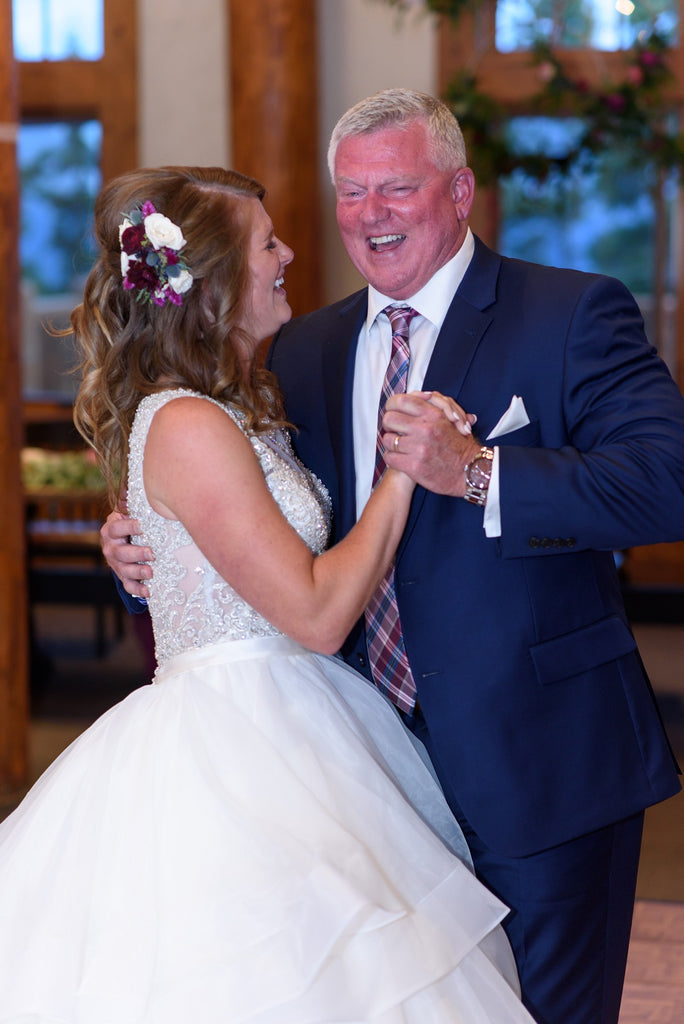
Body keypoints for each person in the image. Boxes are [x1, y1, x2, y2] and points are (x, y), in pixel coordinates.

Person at [104, 91, 684, 1024]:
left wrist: (483, 472)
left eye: (398, 188)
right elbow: (235, 515)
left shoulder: (570, 313)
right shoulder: (301, 347)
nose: (370, 216)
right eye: (350, 192)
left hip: (540, 772)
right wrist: (138, 546)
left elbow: (666, 483)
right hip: (355, 788)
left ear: (459, 192)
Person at [0, 165, 537, 1023]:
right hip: (233, 740)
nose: (289, 253)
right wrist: (409, 471)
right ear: (211, 282)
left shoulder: (235, 403)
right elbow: (321, 614)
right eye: (268, 242)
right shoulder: (187, 423)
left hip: (296, 713)